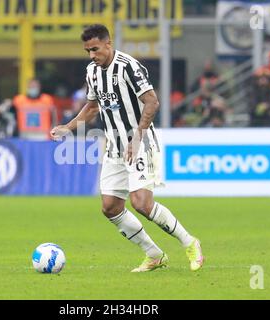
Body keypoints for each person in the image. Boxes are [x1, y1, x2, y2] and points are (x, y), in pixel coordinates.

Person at [50, 24, 204, 273]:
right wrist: (68, 127)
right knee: (110, 206)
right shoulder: (92, 71)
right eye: (87, 50)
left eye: (95, 49)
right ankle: (154, 255)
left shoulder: (128, 67)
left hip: (140, 142)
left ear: (108, 44)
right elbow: (91, 107)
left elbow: (152, 101)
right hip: (114, 146)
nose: (92, 55)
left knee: (141, 202)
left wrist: (137, 136)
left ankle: (190, 242)